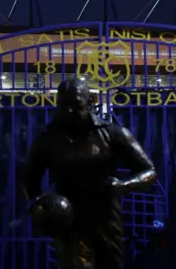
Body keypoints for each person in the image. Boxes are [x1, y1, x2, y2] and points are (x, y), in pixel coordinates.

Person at [23, 78, 157, 269]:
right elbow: (29, 180)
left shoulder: (113, 134)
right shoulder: (47, 140)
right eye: (64, 105)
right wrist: (40, 209)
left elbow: (149, 171)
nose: (69, 111)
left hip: (106, 219)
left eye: (76, 105)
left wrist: (123, 186)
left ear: (90, 101)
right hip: (69, 222)